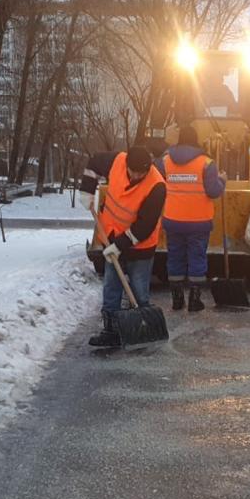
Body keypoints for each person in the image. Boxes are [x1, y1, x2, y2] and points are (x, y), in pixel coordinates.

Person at [79, 145, 167, 347]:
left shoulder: (157, 186)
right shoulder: (117, 161)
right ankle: (111, 330)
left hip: (140, 246)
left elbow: (145, 226)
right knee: (111, 286)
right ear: (127, 164)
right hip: (111, 237)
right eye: (133, 171)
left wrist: (120, 245)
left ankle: (143, 329)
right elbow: (93, 163)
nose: (136, 176)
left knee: (139, 289)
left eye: (141, 173)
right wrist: (87, 190)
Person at [156, 126, 225, 311]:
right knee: (197, 258)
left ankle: (177, 299)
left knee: (175, 257)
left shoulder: (165, 161)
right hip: (198, 222)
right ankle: (195, 301)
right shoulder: (207, 163)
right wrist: (222, 181)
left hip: (173, 220)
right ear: (196, 140)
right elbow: (213, 191)